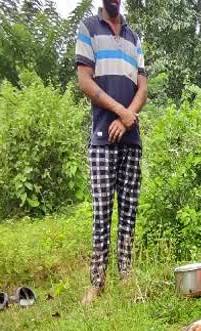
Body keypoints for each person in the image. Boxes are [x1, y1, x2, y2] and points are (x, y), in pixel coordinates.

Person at [75, 0, 147, 305]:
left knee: (128, 211)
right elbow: (84, 80)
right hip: (103, 137)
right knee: (102, 211)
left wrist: (128, 116)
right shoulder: (88, 28)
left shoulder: (133, 38)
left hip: (131, 139)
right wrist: (120, 112)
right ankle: (97, 282)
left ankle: (127, 275)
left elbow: (142, 87)